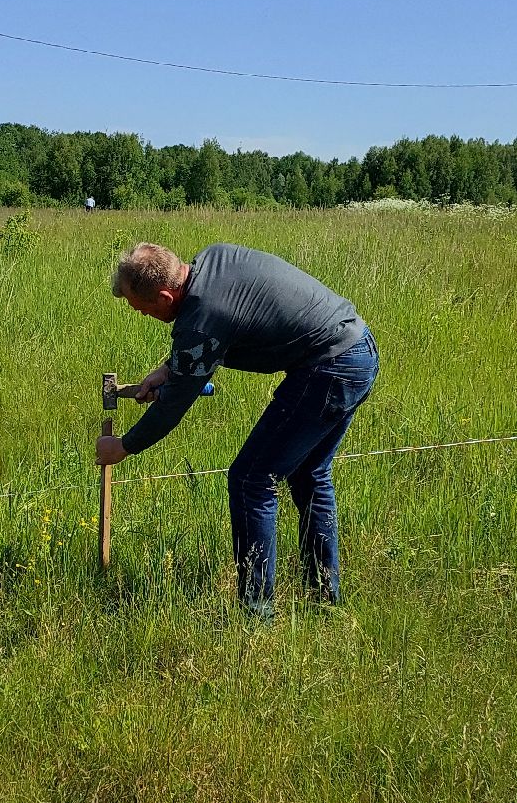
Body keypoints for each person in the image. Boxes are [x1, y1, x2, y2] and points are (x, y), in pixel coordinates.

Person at [96, 242, 378, 616]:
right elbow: (208, 338)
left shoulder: (203, 317)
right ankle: (325, 597)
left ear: (165, 296)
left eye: (141, 307)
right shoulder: (211, 260)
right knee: (309, 474)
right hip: (356, 348)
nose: (142, 314)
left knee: (251, 480)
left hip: (328, 370)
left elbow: (172, 408)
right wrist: (168, 369)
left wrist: (122, 447)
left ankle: (256, 614)